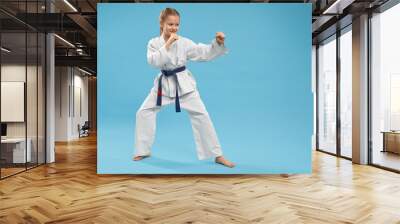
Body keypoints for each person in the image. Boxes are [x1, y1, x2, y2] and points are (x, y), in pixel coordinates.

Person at [133, 7, 235, 168]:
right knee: (143, 112)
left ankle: (217, 155)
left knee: (202, 115)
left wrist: (217, 43)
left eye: (176, 24)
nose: (174, 28)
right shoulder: (153, 43)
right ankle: (143, 150)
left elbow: (203, 53)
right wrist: (167, 44)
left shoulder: (184, 42)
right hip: (163, 85)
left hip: (184, 85)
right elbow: (153, 62)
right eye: (170, 24)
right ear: (162, 24)